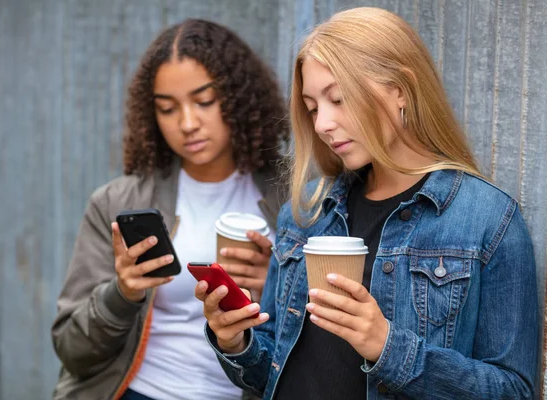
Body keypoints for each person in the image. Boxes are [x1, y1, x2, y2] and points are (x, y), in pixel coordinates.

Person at [197, 7, 539, 400]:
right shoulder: (306, 212)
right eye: (313, 108)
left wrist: (386, 346)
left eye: (339, 99)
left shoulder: (487, 220)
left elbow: (514, 391)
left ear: (400, 90)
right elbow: (271, 368)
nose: (323, 123)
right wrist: (235, 340)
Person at [51, 19, 289, 400]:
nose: (188, 123)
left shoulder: (295, 196)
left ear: (239, 96)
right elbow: (72, 350)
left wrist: (276, 284)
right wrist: (122, 292)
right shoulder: (117, 203)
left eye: (204, 101)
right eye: (167, 108)